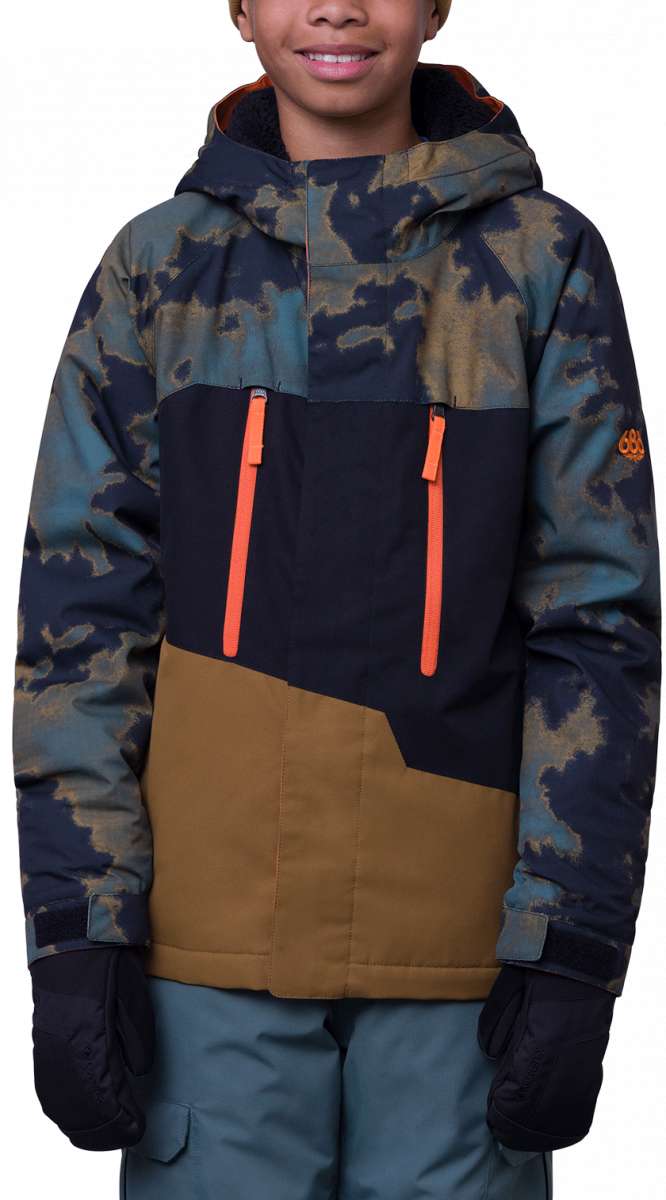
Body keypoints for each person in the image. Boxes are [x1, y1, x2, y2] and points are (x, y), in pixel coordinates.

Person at [13, 2, 661, 1198]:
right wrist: (75, 930)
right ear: (240, 8)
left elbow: (599, 621)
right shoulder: (159, 267)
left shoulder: (540, 260)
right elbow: (79, 622)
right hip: (206, 956)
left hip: (461, 964)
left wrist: (573, 944)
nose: (337, 7)